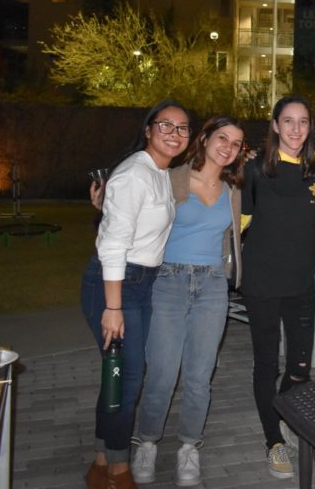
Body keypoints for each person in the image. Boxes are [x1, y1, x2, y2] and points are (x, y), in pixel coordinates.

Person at [129, 116, 246, 486]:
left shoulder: (233, 189)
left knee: (199, 374)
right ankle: (147, 441)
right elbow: (134, 214)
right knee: (162, 371)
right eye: (222, 138)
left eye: (236, 143)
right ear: (205, 138)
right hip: (169, 281)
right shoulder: (171, 178)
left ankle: (189, 446)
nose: (228, 147)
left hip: (212, 285)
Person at [81, 100, 191, 489]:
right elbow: (113, 245)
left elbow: (131, 223)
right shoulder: (134, 174)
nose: (175, 134)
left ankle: (101, 461)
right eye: (166, 125)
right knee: (128, 377)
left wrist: (106, 205)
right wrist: (112, 307)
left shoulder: (158, 172)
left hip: (139, 282)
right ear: (148, 130)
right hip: (117, 283)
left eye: (182, 128)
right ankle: (118, 468)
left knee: (119, 375)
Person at [241, 96, 315, 479]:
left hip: (302, 284)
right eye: (287, 121)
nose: (295, 129)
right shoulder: (254, 170)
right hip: (262, 284)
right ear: (275, 125)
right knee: (267, 364)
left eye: (302, 121)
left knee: (300, 368)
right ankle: (273, 440)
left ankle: (283, 412)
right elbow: (237, 222)